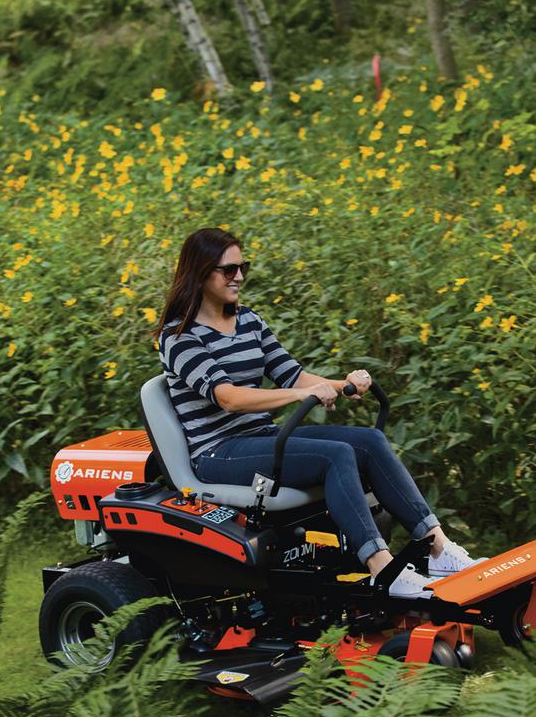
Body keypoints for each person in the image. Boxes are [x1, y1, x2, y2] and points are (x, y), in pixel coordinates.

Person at [152, 228, 482, 598]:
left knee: (369, 441)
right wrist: (300, 394)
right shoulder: (179, 337)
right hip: (217, 453)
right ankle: (383, 570)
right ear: (200, 273)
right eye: (229, 270)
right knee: (335, 455)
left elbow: (294, 374)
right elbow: (228, 398)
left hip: (259, 438)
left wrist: (344, 383)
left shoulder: (248, 321)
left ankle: (438, 548)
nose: (240, 277)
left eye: (243, 267)